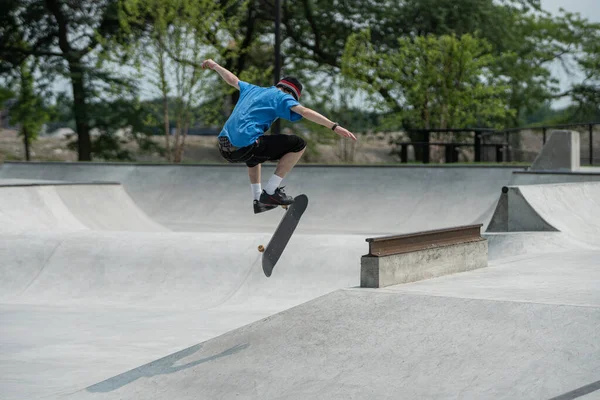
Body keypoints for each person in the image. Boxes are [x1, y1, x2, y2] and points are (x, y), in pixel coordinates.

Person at [201, 59, 357, 214]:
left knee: (255, 152)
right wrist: (333, 126)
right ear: (291, 93)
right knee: (298, 144)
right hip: (246, 146)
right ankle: (270, 192)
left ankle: (258, 201)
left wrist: (214, 65)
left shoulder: (253, 89)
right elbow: (304, 112)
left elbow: (232, 80)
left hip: (225, 148)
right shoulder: (282, 96)